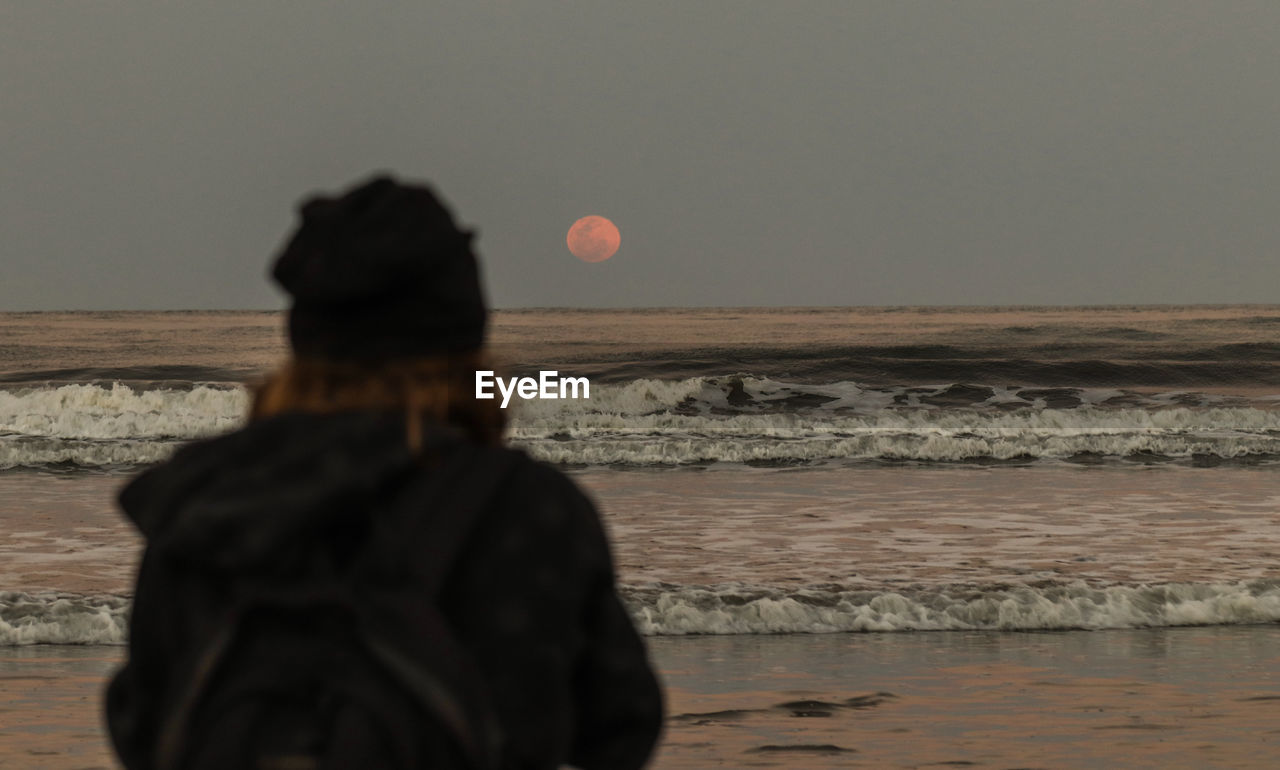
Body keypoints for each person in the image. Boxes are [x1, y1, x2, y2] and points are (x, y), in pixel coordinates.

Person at [105, 175, 664, 769]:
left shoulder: (203, 503)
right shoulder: (525, 507)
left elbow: (141, 725)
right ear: (466, 342)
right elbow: (623, 723)